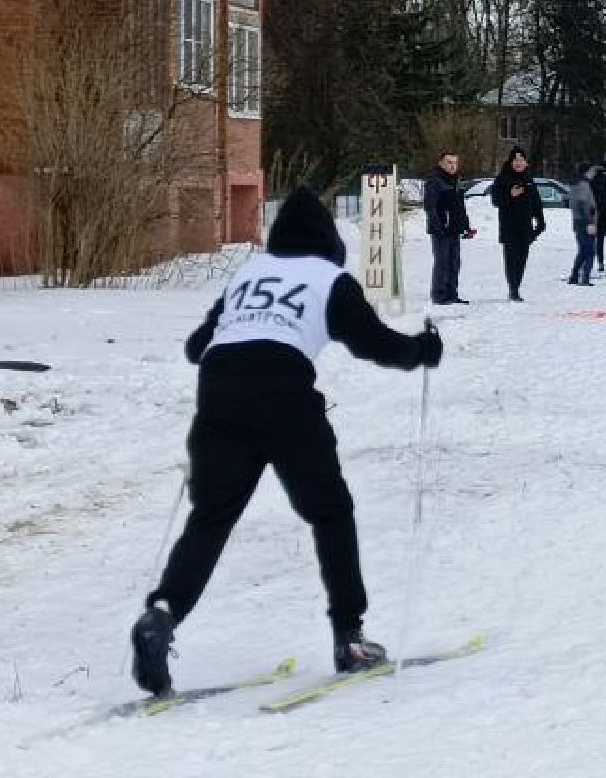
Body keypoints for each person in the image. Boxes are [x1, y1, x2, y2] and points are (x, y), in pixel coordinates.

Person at [130, 187, 444, 697]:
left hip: (219, 393)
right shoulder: (329, 279)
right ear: (328, 242)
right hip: (283, 394)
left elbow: (196, 347)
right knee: (330, 512)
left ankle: (162, 613)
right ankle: (350, 638)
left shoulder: (248, 274)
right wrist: (423, 350)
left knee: (211, 518)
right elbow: (372, 343)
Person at [491, 147, 546, 302]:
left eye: (521, 160)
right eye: (515, 160)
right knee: (511, 259)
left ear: (526, 163)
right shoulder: (502, 179)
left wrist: (540, 221)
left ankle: (516, 285)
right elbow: (495, 201)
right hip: (509, 227)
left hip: (525, 227)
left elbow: (536, 203)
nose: (518, 163)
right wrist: (510, 195)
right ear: (510, 162)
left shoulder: (529, 180)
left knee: (522, 259)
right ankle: (513, 289)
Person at [424, 152, 470, 306]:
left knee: (454, 262)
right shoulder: (434, 181)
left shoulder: (456, 180)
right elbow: (430, 206)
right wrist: (438, 225)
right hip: (441, 229)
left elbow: (460, 206)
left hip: (454, 228)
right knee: (442, 262)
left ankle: (452, 294)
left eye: (455, 162)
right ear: (441, 163)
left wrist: (466, 225)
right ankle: (439, 295)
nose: (452, 166)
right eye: (449, 162)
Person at [567, 163, 602, 286]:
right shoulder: (583, 185)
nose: (593, 173)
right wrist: (590, 221)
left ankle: (574, 276)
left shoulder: (576, 184)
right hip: (585, 222)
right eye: (592, 171)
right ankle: (585, 278)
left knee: (583, 250)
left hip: (578, 221)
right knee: (590, 251)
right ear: (586, 172)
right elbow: (582, 202)